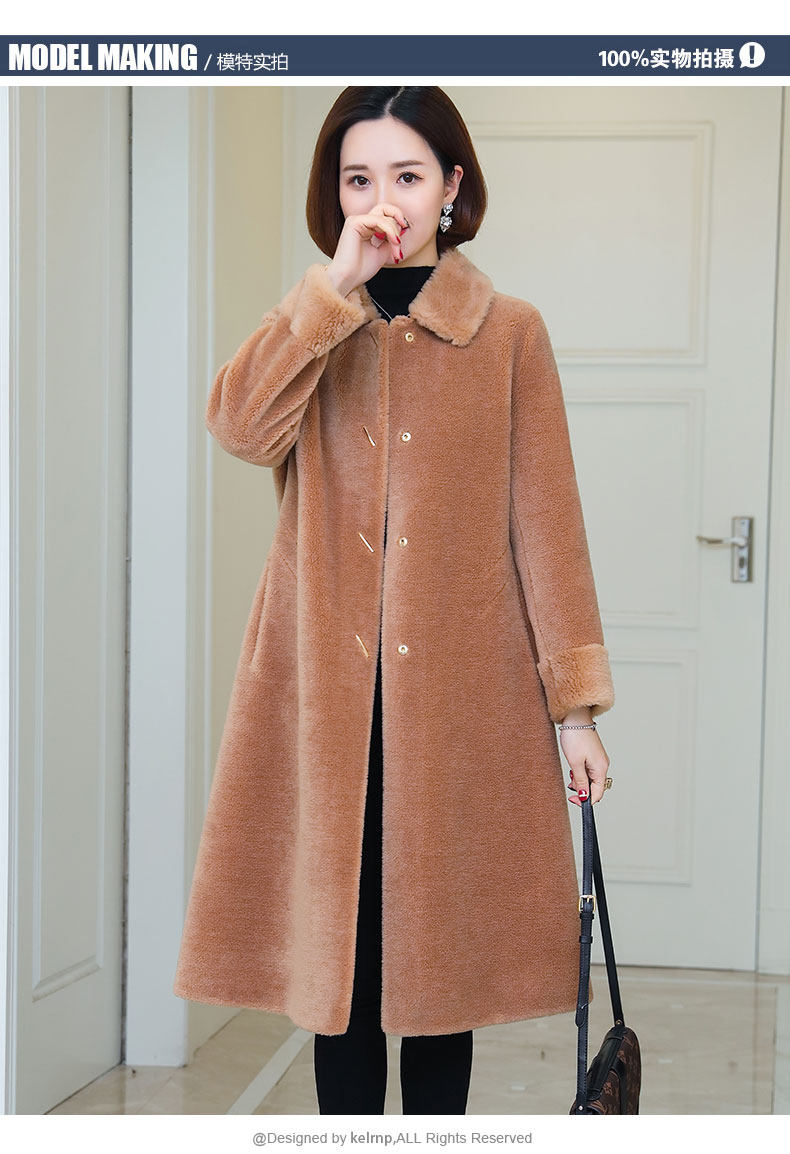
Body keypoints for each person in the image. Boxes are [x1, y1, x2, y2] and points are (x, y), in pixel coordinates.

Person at [172, 86, 614, 1117]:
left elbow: (547, 526)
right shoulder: (315, 326)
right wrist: (333, 289)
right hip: (323, 706)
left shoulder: (509, 334)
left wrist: (576, 710)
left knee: (439, 979)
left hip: (459, 705)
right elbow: (237, 427)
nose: (384, 201)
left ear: (451, 186)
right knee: (342, 979)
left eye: (407, 176)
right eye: (358, 179)